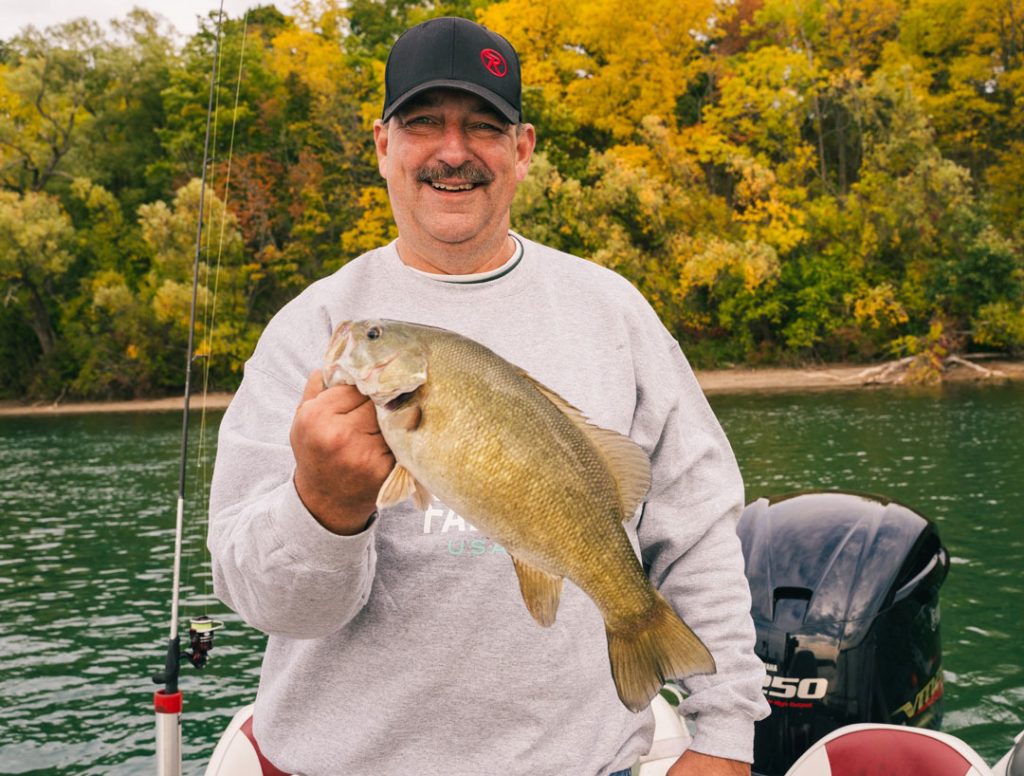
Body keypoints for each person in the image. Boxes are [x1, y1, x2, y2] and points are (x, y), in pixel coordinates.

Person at [208, 16, 769, 776]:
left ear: (522, 150)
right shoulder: (308, 328)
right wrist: (323, 504)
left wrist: (724, 737)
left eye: (483, 126)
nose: (453, 151)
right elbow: (271, 607)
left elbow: (697, 529)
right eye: (423, 124)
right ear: (382, 146)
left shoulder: (613, 312)